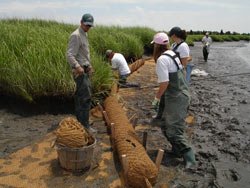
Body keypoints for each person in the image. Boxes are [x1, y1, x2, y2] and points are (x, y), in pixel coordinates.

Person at [151, 32, 196, 169]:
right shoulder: (172, 54)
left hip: (177, 97)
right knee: (164, 124)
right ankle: (177, 150)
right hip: (177, 94)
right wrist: (160, 109)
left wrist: (156, 98)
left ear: (157, 46)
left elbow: (164, 83)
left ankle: (190, 158)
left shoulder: (162, 60)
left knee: (174, 129)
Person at [66, 13, 96, 133]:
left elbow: (83, 54)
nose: (87, 27)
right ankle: (84, 126)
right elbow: (69, 54)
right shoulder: (76, 35)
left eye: (89, 25)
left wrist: (89, 65)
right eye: (86, 25)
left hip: (85, 69)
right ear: (81, 22)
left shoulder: (84, 34)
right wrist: (78, 66)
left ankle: (83, 123)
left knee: (83, 97)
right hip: (80, 72)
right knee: (84, 98)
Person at [154, 26, 192, 120]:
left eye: (171, 35)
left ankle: (179, 113)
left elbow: (184, 63)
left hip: (177, 73)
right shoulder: (174, 45)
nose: (170, 37)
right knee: (164, 93)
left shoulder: (183, 46)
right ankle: (160, 115)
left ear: (174, 35)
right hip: (170, 71)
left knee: (176, 94)